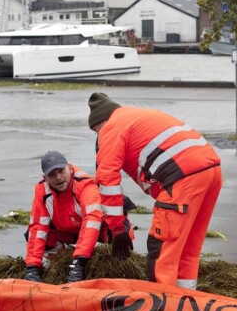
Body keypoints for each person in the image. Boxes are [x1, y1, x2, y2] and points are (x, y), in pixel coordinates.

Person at [87, 92, 222, 289]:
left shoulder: (111, 128)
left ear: (100, 123)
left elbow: (107, 180)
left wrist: (117, 230)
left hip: (182, 179)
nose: (98, 135)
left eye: (96, 130)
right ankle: (187, 305)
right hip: (211, 172)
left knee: (161, 251)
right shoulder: (138, 116)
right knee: (187, 249)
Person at [23, 150, 115, 284]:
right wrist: (32, 266)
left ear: (70, 168)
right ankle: (66, 259)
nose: (58, 177)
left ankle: (86, 261)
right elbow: (38, 227)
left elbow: (92, 221)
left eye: (61, 171)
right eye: (52, 175)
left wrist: (78, 262)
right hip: (68, 231)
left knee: (117, 233)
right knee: (34, 235)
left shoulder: (85, 184)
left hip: (99, 230)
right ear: (45, 178)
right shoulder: (42, 191)